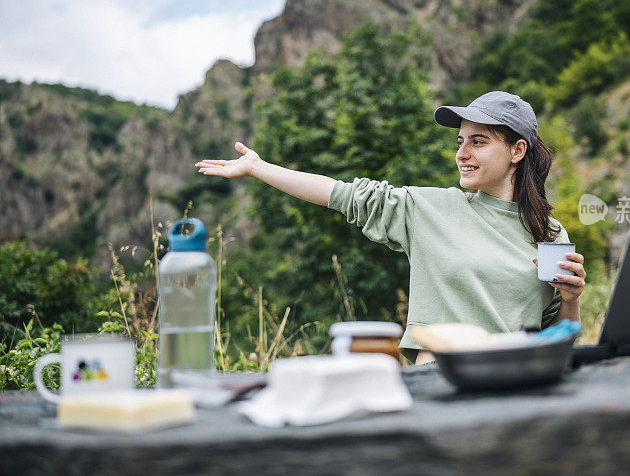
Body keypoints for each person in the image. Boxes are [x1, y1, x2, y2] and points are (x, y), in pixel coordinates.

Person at [195, 91, 586, 365]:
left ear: (517, 151)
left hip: (517, 383)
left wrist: (570, 299)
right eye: (460, 141)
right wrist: (259, 168)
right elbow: (340, 194)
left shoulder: (550, 234)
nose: (462, 154)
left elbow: (559, 336)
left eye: (478, 142)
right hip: (441, 381)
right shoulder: (430, 208)